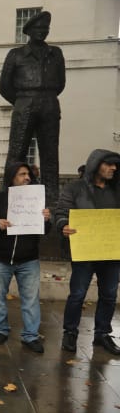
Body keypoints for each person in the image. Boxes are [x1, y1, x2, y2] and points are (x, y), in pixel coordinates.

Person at [55, 149, 120, 355]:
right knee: (78, 294)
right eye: (108, 164)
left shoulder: (117, 190)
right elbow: (62, 211)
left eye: (115, 165)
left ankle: (102, 333)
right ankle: (70, 332)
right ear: (96, 165)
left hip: (110, 254)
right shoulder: (75, 188)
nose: (113, 168)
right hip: (84, 252)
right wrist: (63, 224)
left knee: (109, 295)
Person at [0, 11, 65, 208]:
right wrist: (21, 101)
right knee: (17, 151)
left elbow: (61, 83)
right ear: (29, 31)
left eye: (45, 29)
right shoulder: (15, 54)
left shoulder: (56, 53)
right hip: (24, 102)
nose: (42, 32)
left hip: (50, 102)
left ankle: (51, 198)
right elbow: (4, 86)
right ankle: (8, 193)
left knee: (50, 153)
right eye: (38, 28)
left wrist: (45, 96)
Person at [0, 162, 51, 353]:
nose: (27, 177)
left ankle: (31, 335)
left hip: (28, 258)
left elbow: (46, 230)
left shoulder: (37, 199)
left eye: (28, 174)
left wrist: (47, 219)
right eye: (22, 174)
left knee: (31, 298)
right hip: (0, 257)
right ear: (12, 177)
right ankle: (1, 330)